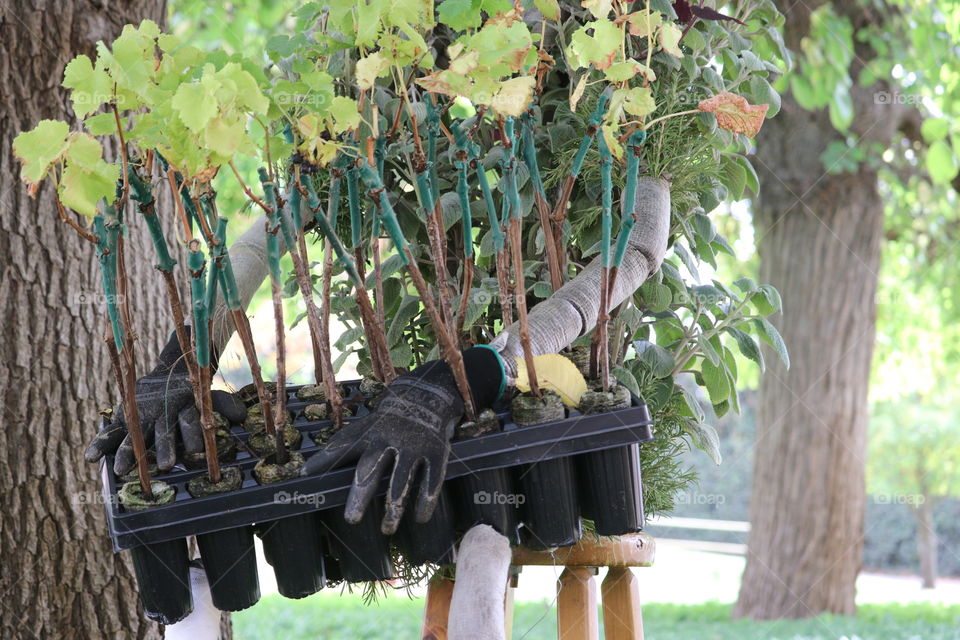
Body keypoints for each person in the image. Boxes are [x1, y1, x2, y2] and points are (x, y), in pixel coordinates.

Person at [86, 175, 670, 640]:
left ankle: (483, 562)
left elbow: (639, 247)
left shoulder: (614, 82)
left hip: (509, 404)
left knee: (485, 531)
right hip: (400, 379)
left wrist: (472, 373)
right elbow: (270, 232)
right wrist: (182, 359)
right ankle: (195, 600)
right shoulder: (363, 100)